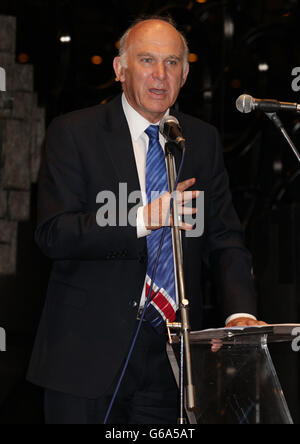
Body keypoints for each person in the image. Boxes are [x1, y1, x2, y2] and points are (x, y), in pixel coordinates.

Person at [27, 16, 266, 424]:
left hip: (171, 359)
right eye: (147, 61)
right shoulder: (74, 133)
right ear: (120, 69)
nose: (160, 75)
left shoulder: (201, 140)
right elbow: (55, 234)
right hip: (86, 358)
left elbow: (225, 237)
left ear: (186, 74)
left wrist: (238, 313)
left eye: (172, 63)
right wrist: (141, 218)